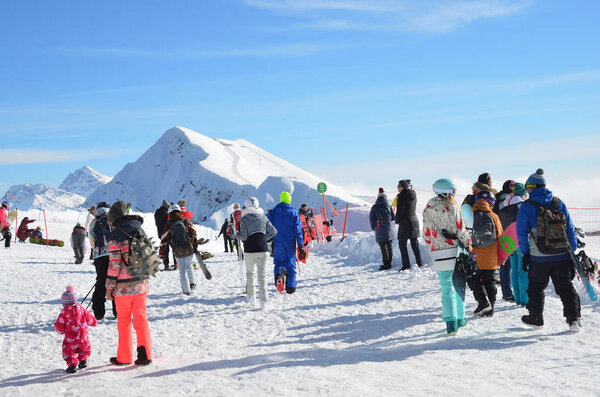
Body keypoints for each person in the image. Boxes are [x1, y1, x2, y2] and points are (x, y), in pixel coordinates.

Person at [517, 169, 581, 331]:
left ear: (532, 187)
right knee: (565, 287)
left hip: (539, 257)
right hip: (561, 255)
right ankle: (574, 320)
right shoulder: (558, 203)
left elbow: (521, 233)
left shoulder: (527, 206)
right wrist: (570, 251)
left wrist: (526, 253)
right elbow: (570, 229)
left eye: (527, 187)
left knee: (536, 287)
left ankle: (536, 318)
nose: (527, 191)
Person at [106, 200, 153, 366]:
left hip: (123, 288)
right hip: (142, 283)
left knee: (124, 321)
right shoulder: (140, 229)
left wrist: (109, 288)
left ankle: (124, 357)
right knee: (141, 318)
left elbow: (114, 264)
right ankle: (145, 354)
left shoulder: (114, 236)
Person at [423, 178, 471, 335]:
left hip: (438, 253)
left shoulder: (428, 208)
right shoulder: (454, 208)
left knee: (446, 289)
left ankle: (451, 325)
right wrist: (469, 244)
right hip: (455, 252)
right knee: (458, 286)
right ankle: (461, 319)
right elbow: (461, 230)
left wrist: (437, 242)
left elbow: (426, 235)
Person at [468, 190, 504, 317]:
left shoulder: (469, 216)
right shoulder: (494, 216)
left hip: (475, 256)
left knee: (475, 281)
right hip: (491, 257)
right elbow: (501, 236)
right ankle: (491, 308)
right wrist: (502, 256)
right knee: (490, 282)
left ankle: (482, 303)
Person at [238, 197, 277, 309]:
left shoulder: (244, 219)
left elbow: (244, 237)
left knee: (250, 274)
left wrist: (236, 235)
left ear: (246, 205)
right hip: (263, 249)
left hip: (250, 249)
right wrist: (264, 238)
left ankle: (251, 298)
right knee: (262, 275)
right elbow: (274, 231)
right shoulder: (263, 217)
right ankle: (264, 301)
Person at [54, 285, 97, 373]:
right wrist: (93, 322)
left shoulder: (64, 313)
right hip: (83, 335)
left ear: (64, 303)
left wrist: (60, 330)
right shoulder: (81, 309)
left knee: (69, 350)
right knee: (83, 347)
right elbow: (89, 318)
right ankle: (83, 360)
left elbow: (60, 324)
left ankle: (72, 364)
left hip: (71, 337)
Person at [267, 192, 304, 294]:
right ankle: (291, 287)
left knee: (279, 262)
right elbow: (298, 230)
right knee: (291, 264)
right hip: (290, 242)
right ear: (289, 200)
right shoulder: (294, 213)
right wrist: (300, 244)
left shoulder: (274, 212)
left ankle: (279, 276)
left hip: (278, 242)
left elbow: (267, 222)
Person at [499, 182, 529, 306]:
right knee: (523, 270)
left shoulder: (505, 204)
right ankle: (525, 299)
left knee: (514, 270)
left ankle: (517, 298)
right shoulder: (522, 205)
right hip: (521, 241)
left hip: (509, 242)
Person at [160, 204, 199, 296]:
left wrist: (161, 252)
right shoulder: (186, 221)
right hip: (188, 248)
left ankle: (185, 291)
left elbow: (164, 239)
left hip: (177, 250)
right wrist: (195, 246)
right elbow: (194, 233)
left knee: (182, 271)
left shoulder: (168, 224)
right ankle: (193, 285)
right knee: (189, 266)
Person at [89, 202, 116, 320]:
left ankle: (99, 312)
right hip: (114, 254)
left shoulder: (94, 222)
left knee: (100, 282)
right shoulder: (112, 220)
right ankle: (117, 311)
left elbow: (91, 240)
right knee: (115, 281)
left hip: (99, 256)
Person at [393, 179, 423, 270]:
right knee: (414, 243)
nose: (397, 188)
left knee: (402, 244)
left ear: (403, 186)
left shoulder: (402, 196)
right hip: (414, 220)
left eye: (399, 186)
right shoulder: (413, 194)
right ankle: (420, 263)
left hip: (405, 222)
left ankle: (406, 265)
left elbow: (400, 210)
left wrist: (397, 220)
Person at [369, 188, 395, 271]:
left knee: (383, 247)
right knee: (389, 246)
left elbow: (371, 218)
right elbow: (393, 217)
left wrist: (373, 227)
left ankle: (386, 264)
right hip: (389, 228)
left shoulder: (375, 207)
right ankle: (389, 263)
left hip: (380, 229)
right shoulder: (389, 206)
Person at [155, 200, 176, 270]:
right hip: (168, 233)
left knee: (165, 250)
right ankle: (176, 264)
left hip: (161, 234)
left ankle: (166, 265)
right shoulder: (166, 214)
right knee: (174, 249)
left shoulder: (157, 212)